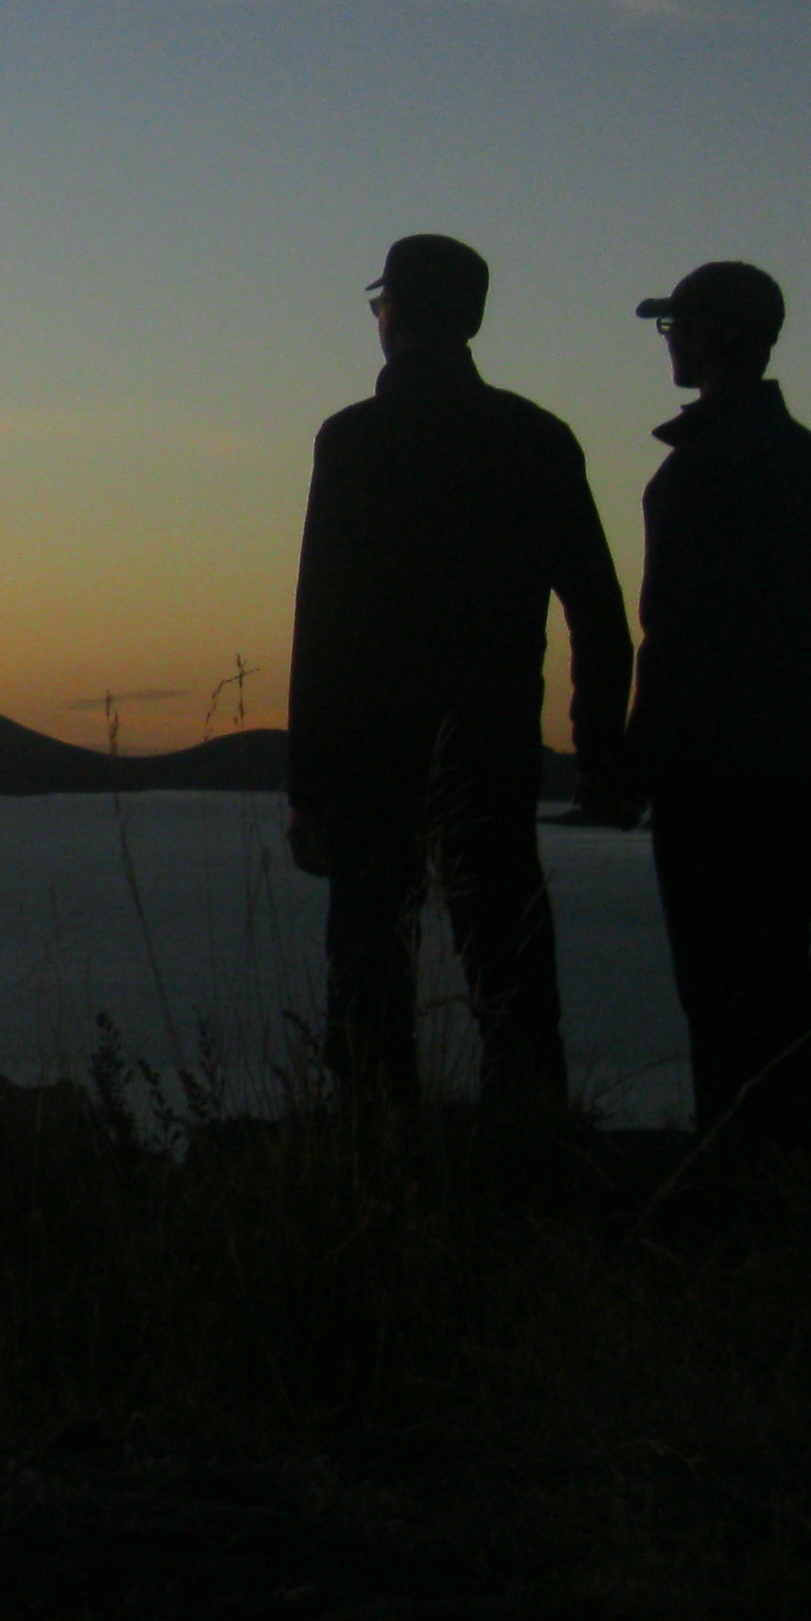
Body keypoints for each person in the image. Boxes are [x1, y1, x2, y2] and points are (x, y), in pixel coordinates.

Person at [286, 234, 632, 1110]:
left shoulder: (355, 440)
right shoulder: (537, 439)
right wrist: (599, 754)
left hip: (371, 751)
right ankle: (531, 1135)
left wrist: (309, 782)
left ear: (394, 315)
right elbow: (597, 609)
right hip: (494, 741)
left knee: (368, 957)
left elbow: (322, 620)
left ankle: (378, 1148)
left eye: (379, 305)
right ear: (471, 320)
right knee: (508, 955)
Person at [627, 261, 811, 1148]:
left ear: (706, 337)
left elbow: (676, 640)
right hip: (795, 765)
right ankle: (793, 1159)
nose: (671, 343)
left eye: (676, 327)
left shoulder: (697, 475)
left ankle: (739, 1165)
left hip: (711, 768)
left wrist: (636, 768)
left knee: (718, 975)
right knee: (777, 964)